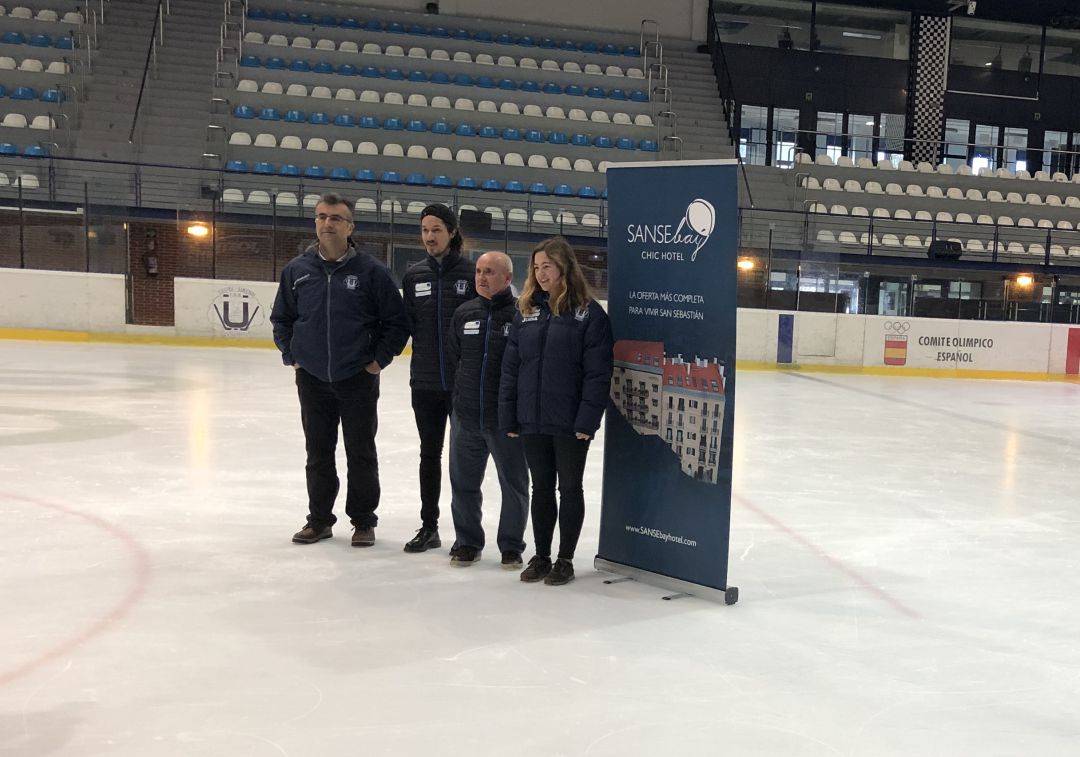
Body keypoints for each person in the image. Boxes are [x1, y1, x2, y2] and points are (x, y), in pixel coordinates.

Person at [270, 192, 410, 547]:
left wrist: (377, 361)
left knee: (360, 451)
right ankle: (319, 520)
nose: (327, 223)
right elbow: (282, 319)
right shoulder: (297, 271)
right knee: (318, 452)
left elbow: (396, 322)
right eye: (321, 217)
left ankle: (363, 520)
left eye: (335, 218)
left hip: (356, 378)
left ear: (350, 227)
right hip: (313, 378)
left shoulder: (371, 272)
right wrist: (292, 355)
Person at [499, 238, 613, 586]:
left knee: (570, 488)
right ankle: (542, 555)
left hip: (569, 421)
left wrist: (587, 420)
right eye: (536, 267)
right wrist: (509, 415)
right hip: (532, 417)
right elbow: (511, 367)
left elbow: (598, 372)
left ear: (564, 268)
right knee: (541, 489)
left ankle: (565, 559)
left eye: (547, 266)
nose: (540, 273)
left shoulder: (588, 314)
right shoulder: (526, 311)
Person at [444, 252, 530, 569]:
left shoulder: (523, 315)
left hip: (505, 420)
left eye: (489, 272)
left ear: (508, 279)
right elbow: (456, 359)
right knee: (463, 484)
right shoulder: (464, 313)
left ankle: (511, 545)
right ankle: (467, 541)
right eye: (478, 271)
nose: (481, 277)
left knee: (515, 485)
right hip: (466, 417)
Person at [400, 204, 476, 553]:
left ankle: (465, 532)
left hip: (463, 386)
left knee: (461, 461)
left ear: (452, 232)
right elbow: (405, 325)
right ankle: (429, 526)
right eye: (425, 230)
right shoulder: (414, 276)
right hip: (426, 384)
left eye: (436, 230)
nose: (429, 237)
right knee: (429, 455)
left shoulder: (473, 274)